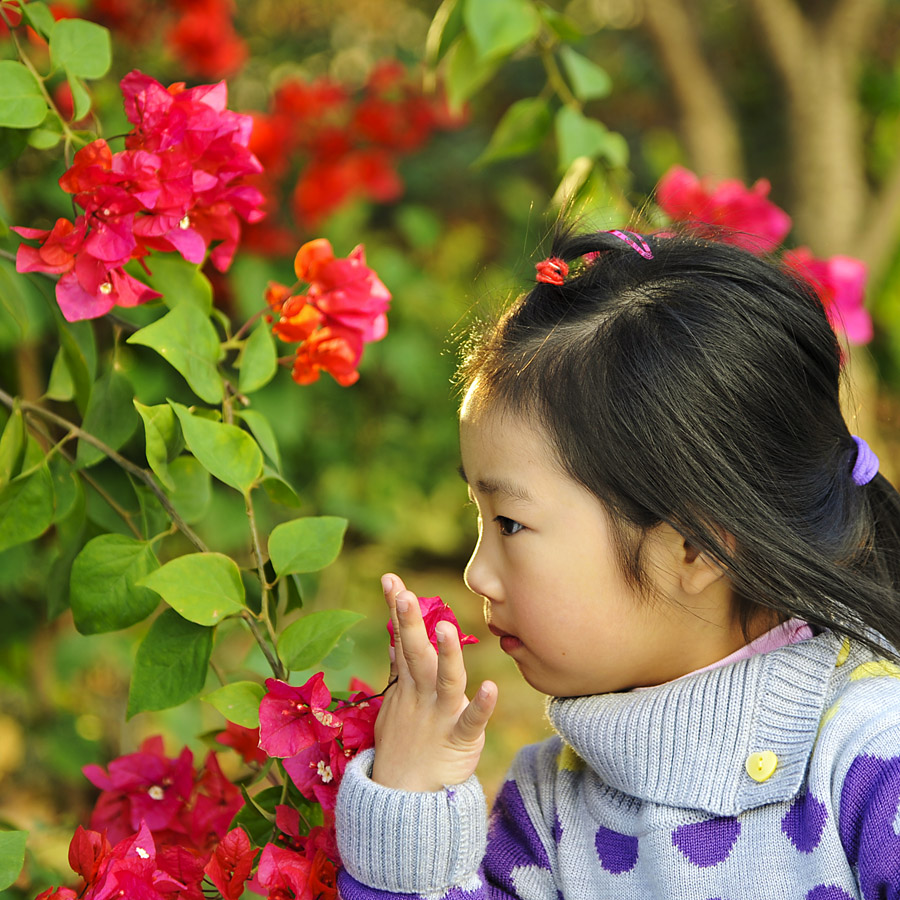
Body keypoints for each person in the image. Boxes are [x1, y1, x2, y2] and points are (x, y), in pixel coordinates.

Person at [334, 228, 900, 897]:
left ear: (695, 544)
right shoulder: (547, 808)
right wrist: (409, 797)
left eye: (511, 523)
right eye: (480, 519)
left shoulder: (870, 760)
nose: (476, 575)